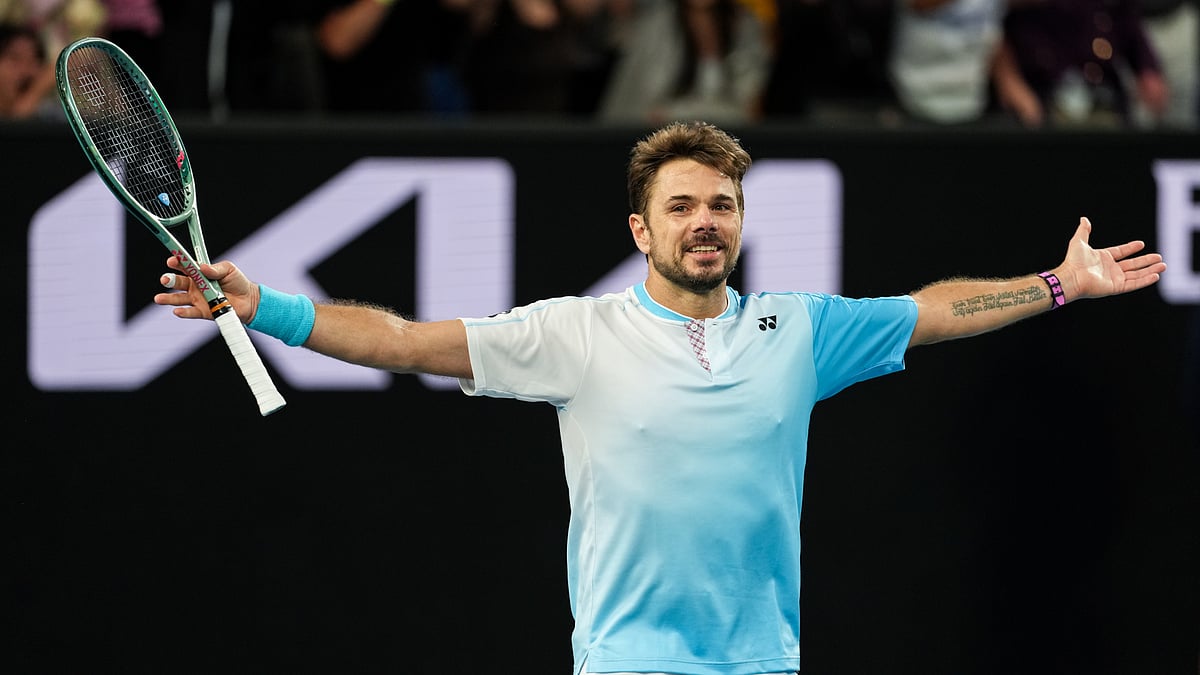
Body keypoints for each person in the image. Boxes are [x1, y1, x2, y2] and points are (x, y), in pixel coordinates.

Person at [154, 121, 1166, 675]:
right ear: (641, 231)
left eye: (721, 204)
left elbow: (932, 311)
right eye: (680, 206)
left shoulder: (799, 332)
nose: (705, 221)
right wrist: (270, 305)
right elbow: (406, 341)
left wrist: (1060, 284)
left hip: (765, 663)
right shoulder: (574, 335)